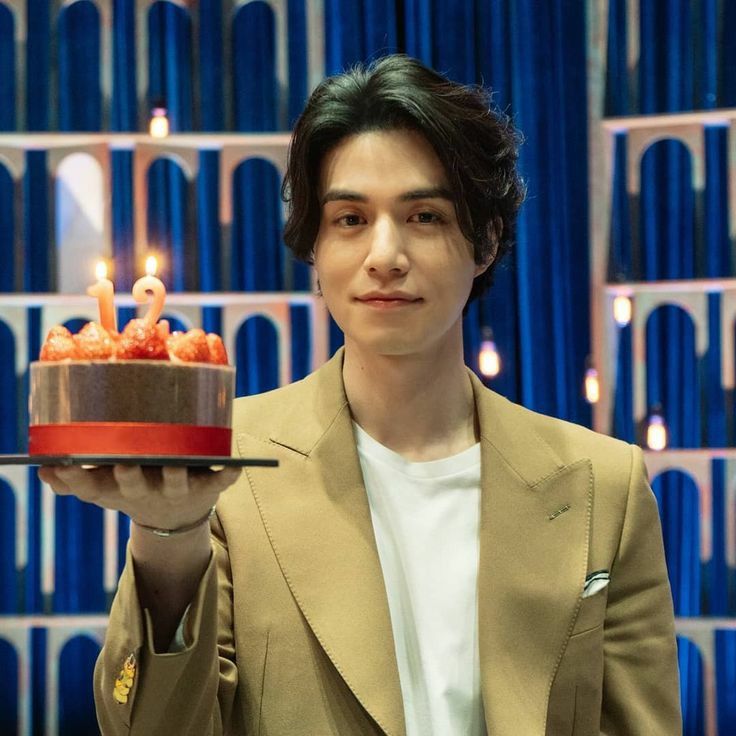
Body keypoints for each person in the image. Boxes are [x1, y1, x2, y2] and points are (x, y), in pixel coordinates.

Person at [41, 54, 682, 735]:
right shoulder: (227, 466)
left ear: (486, 240)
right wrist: (165, 538)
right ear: (314, 244)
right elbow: (153, 728)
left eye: (425, 216)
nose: (385, 254)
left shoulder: (601, 487)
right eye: (350, 218)